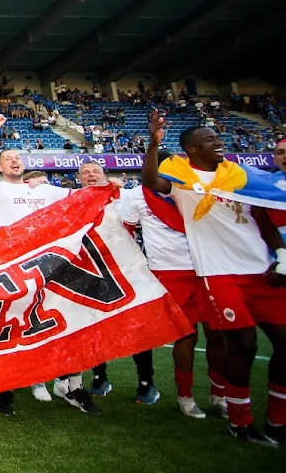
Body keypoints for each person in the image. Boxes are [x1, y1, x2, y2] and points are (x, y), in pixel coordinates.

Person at [143, 111, 286, 447]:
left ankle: (278, 421)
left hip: (261, 270)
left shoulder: (240, 175)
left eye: (218, 138)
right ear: (191, 148)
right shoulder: (178, 176)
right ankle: (241, 421)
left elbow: (264, 216)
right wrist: (152, 144)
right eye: (209, 140)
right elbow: (151, 182)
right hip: (220, 273)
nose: (218, 142)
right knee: (244, 344)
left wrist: (281, 256)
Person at [94, 151, 229, 419]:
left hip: (209, 267)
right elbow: (126, 233)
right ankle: (185, 396)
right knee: (186, 335)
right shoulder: (135, 196)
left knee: (218, 334)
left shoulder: (195, 191)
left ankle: (219, 393)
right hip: (169, 272)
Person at [0, 113, 84, 416]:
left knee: (49, 323)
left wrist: (108, 186)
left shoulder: (44, 191)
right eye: (7, 158)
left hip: (48, 267)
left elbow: (83, 198)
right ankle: (5, 390)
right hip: (13, 268)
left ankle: (64, 384)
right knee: (7, 328)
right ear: (0, 166)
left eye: (16, 157)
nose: (13, 161)